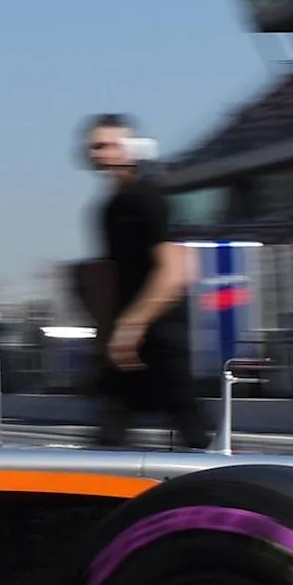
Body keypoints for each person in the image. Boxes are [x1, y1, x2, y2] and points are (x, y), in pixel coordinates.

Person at [83, 114, 205, 448]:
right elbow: (110, 275)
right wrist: (105, 334)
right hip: (126, 336)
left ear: (130, 148)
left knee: (188, 424)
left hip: (162, 332)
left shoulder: (148, 198)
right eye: (95, 146)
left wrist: (133, 324)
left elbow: (174, 270)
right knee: (110, 427)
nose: (100, 153)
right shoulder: (108, 208)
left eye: (109, 144)